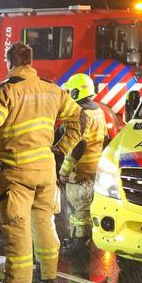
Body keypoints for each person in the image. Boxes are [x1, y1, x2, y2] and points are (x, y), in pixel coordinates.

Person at [0, 42, 82, 283]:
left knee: (18, 227)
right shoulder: (52, 89)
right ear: (31, 61)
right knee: (45, 223)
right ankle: (48, 279)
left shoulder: (7, 91)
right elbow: (80, 119)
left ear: (9, 62)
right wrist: (61, 150)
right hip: (46, 170)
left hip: (17, 171)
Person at [59, 73, 107, 249]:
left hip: (79, 170)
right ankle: (76, 239)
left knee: (80, 210)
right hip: (93, 169)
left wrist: (65, 170)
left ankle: (79, 244)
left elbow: (80, 145)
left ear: (75, 93)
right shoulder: (98, 111)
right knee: (84, 209)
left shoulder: (82, 114)